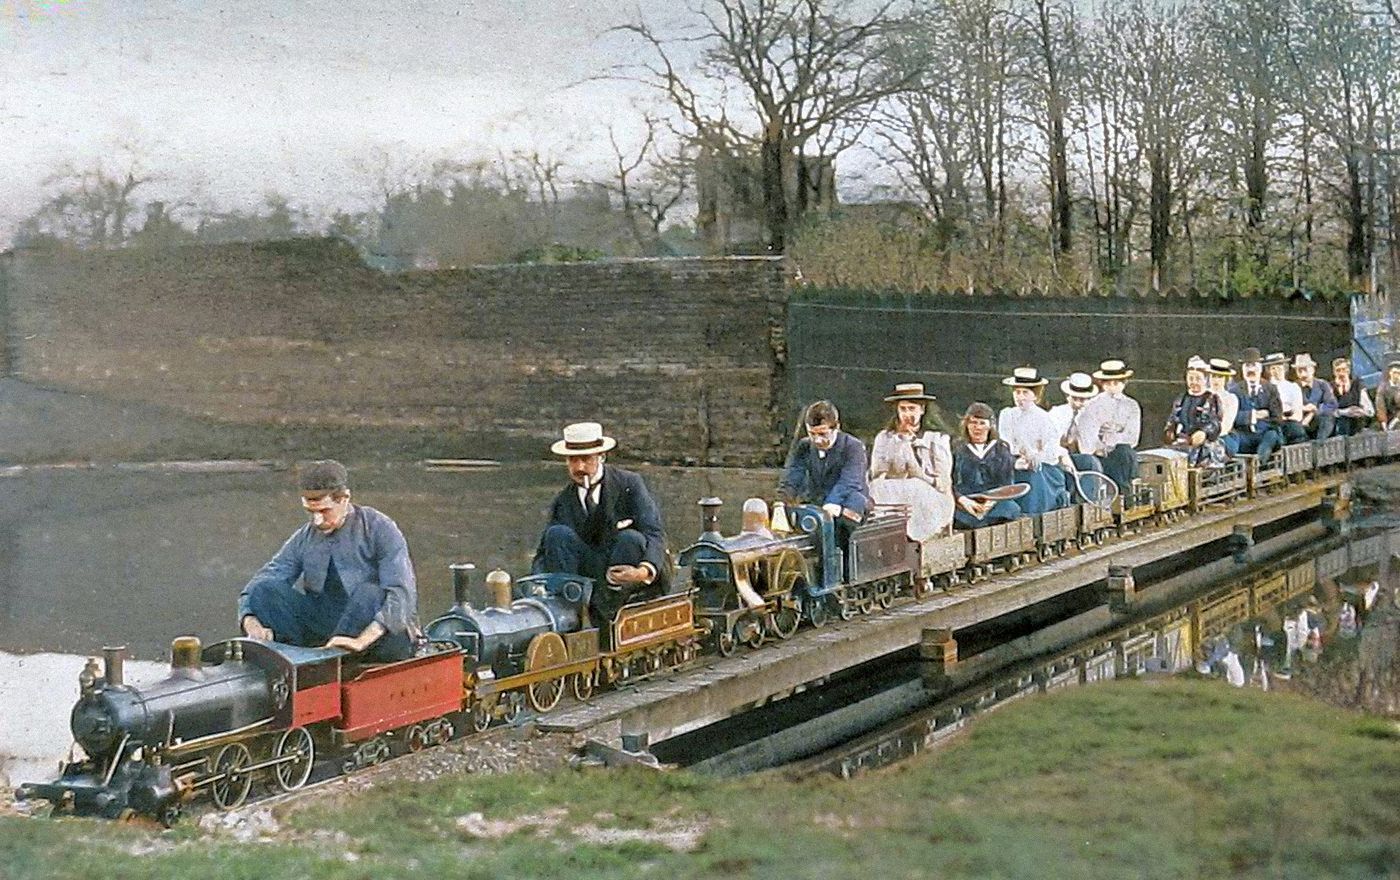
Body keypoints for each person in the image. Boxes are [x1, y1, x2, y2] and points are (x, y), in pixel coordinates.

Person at [239, 460, 419, 662]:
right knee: (265, 590)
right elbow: (264, 579)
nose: (317, 521)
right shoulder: (305, 537)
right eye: (311, 512)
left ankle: (335, 657)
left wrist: (361, 640)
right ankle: (299, 659)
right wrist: (250, 620)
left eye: (324, 511)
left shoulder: (379, 527)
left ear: (344, 499)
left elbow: (402, 593)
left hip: (378, 633)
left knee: (369, 592)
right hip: (327, 628)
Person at [533, 421, 669, 620]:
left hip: (625, 572)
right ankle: (570, 610)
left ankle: (613, 613)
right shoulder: (563, 501)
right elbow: (544, 552)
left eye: (586, 459)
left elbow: (654, 533)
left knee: (631, 538)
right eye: (572, 460)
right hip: (587, 576)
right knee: (557, 534)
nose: (579, 467)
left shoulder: (629, 484)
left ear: (601, 457)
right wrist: (538, 584)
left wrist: (644, 571)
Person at [868, 383, 954, 541]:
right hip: (894, 496)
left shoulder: (936, 438)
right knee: (876, 488)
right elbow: (877, 473)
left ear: (922, 410)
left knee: (915, 486)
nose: (907, 414)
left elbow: (943, 484)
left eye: (912, 409)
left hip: (932, 498)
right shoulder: (885, 437)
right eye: (903, 409)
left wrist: (917, 471)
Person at [779, 400, 872, 545]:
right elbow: (793, 474)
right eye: (812, 434)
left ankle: (843, 563)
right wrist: (782, 500)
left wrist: (832, 503)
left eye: (823, 434)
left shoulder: (853, 447)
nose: (817, 440)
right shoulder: (804, 446)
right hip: (817, 501)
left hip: (849, 501)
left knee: (843, 530)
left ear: (836, 428)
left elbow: (849, 481)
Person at [997, 366, 1071, 514]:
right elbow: (1005, 442)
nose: (1020, 397)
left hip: (1045, 467)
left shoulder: (1045, 418)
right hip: (1015, 462)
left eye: (1025, 392)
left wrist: (1036, 456)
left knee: (1033, 475)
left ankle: (1033, 516)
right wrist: (1018, 456)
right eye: (1017, 392)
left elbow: (1050, 448)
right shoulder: (1007, 415)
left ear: (1035, 396)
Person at [1073, 359, 1141, 494]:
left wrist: (1112, 438)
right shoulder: (1093, 405)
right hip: (1098, 451)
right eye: (1108, 384)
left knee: (1125, 453)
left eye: (1116, 383)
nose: (1112, 387)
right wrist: (1100, 446)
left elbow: (1132, 436)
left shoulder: (1131, 405)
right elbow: (1087, 432)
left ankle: (1124, 496)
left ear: (1124, 383)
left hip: (1120, 451)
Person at [952, 402, 1022, 528]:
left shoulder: (1001, 449)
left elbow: (1006, 483)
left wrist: (990, 503)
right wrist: (963, 500)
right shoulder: (956, 448)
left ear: (990, 426)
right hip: (966, 502)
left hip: (995, 503)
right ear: (966, 424)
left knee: (1010, 508)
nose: (977, 428)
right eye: (973, 423)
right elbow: (949, 481)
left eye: (982, 423)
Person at [1227, 347, 1285, 464]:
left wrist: (1246, 418)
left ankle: (1258, 466)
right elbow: (1231, 418)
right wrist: (1254, 415)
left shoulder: (1271, 389)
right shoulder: (1234, 391)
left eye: (1254, 365)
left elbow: (1277, 417)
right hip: (1245, 435)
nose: (1251, 370)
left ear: (1260, 368)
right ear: (1242, 369)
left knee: (1271, 436)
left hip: (1265, 434)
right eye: (1247, 366)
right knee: (1232, 440)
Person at [1163, 357, 1222, 466]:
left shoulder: (1212, 399)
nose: (1194, 382)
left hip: (1204, 446)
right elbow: (1172, 418)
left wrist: (1204, 432)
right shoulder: (1181, 398)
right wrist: (1170, 430)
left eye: (1198, 379)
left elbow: (1215, 423)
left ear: (1205, 379)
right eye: (1191, 378)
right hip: (1182, 441)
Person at [1264, 352, 1308, 443]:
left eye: (1279, 368)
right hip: (1271, 422)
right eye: (1273, 368)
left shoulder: (1293, 387)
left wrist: (1285, 418)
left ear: (1284, 368)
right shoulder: (1264, 388)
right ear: (1269, 371)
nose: (1277, 371)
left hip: (1289, 422)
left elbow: (1298, 414)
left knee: (1298, 432)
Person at [1292, 353, 1337, 440]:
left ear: (1312, 370)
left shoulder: (1322, 384)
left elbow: (1332, 404)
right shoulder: (1293, 387)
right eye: (1299, 371)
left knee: (1327, 419)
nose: (1303, 374)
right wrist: (1303, 408)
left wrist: (1314, 411)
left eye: (1305, 370)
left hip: (1320, 421)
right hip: (1301, 422)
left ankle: (1320, 444)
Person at [1331, 357, 1374, 436]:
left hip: (1357, 419)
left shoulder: (1357, 383)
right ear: (1334, 372)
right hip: (1340, 421)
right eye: (1338, 370)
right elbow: (1329, 410)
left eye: (1343, 369)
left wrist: (1362, 411)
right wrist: (1345, 412)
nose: (1341, 373)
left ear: (1348, 370)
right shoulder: (1330, 387)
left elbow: (1367, 406)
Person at [1206, 358, 1240, 455]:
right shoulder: (1203, 395)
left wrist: (1206, 436)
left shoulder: (1231, 399)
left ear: (1226, 379)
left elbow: (1226, 425)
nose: (1216, 380)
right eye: (1213, 376)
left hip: (1224, 437)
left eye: (1220, 377)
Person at [1375, 359, 1400, 429]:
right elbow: (1380, 406)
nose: (1397, 376)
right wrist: (1384, 423)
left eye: (1399, 373)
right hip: (1387, 417)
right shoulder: (1383, 388)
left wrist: (1396, 419)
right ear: (1390, 373)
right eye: (1395, 372)